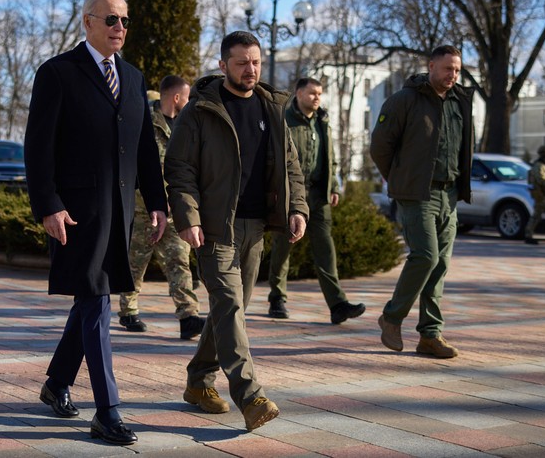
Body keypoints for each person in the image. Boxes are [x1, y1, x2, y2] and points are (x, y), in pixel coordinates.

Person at [23, 0, 167, 446]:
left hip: (121, 214)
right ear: (87, 22)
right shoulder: (58, 73)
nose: (119, 28)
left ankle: (56, 383)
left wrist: (159, 202)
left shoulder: (132, 77)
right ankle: (108, 410)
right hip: (76, 215)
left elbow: (144, 149)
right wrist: (48, 204)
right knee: (97, 304)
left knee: (91, 300)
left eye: (125, 20)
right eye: (111, 19)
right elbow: (37, 147)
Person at [164, 31, 308, 431]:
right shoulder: (201, 111)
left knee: (232, 310)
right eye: (242, 62)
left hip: (257, 226)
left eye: (256, 62)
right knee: (229, 307)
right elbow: (179, 170)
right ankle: (250, 396)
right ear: (223, 64)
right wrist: (188, 217)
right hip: (214, 228)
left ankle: (197, 381)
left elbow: (290, 165)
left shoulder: (272, 107)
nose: (251, 69)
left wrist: (297, 208)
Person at [370, 44, 474, 360]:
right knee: (425, 256)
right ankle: (392, 316)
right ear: (431, 66)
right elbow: (380, 146)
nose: (452, 75)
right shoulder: (404, 100)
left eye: (457, 70)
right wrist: (399, 178)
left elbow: (463, 147)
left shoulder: (460, 102)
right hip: (417, 194)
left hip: (449, 194)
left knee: (440, 264)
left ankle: (430, 335)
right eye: (447, 69)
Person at [267, 77, 365, 324]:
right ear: (298, 94)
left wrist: (334, 186)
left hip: (319, 196)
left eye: (320, 93)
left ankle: (337, 304)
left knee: (325, 250)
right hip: (291, 196)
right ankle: (277, 297)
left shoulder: (323, 121)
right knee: (283, 247)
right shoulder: (284, 120)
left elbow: (330, 157)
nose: (317, 98)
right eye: (312, 93)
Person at [118, 75, 205, 340]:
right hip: (145, 209)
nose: (189, 103)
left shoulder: (185, 127)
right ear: (176, 97)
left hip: (176, 210)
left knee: (179, 260)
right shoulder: (145, 124)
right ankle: (128, 310)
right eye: (186, 97)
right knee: (137, 261)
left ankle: (188, 315)